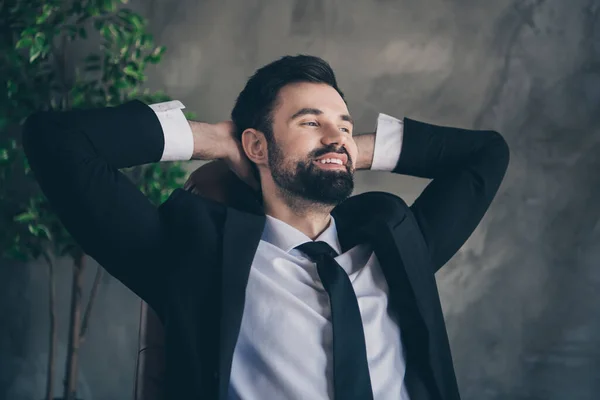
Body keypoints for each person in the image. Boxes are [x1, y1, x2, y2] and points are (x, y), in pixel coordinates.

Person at [22, 55, 510, 400]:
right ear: (255, 147)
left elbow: (486, 155)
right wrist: (214, 138)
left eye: (343, 122)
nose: (335, 134)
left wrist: (347, 150)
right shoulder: (195, 258)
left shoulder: (398, 244)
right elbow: (56, 142)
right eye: (309, 122)